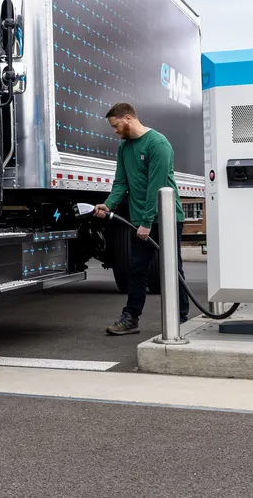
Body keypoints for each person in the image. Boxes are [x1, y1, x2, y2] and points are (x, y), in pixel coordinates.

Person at [94, 102, 189, 335]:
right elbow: (121, 182)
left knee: (172, 267)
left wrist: (147, 222)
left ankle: (183, 318)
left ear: (128, 118)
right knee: (137, 269)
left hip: (166, 219)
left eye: (116, 126)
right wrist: (108, 204)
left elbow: (156, 187)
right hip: (139, 220)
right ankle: (131, 318)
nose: (115, 131)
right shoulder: (124, 148)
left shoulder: (158, 144)